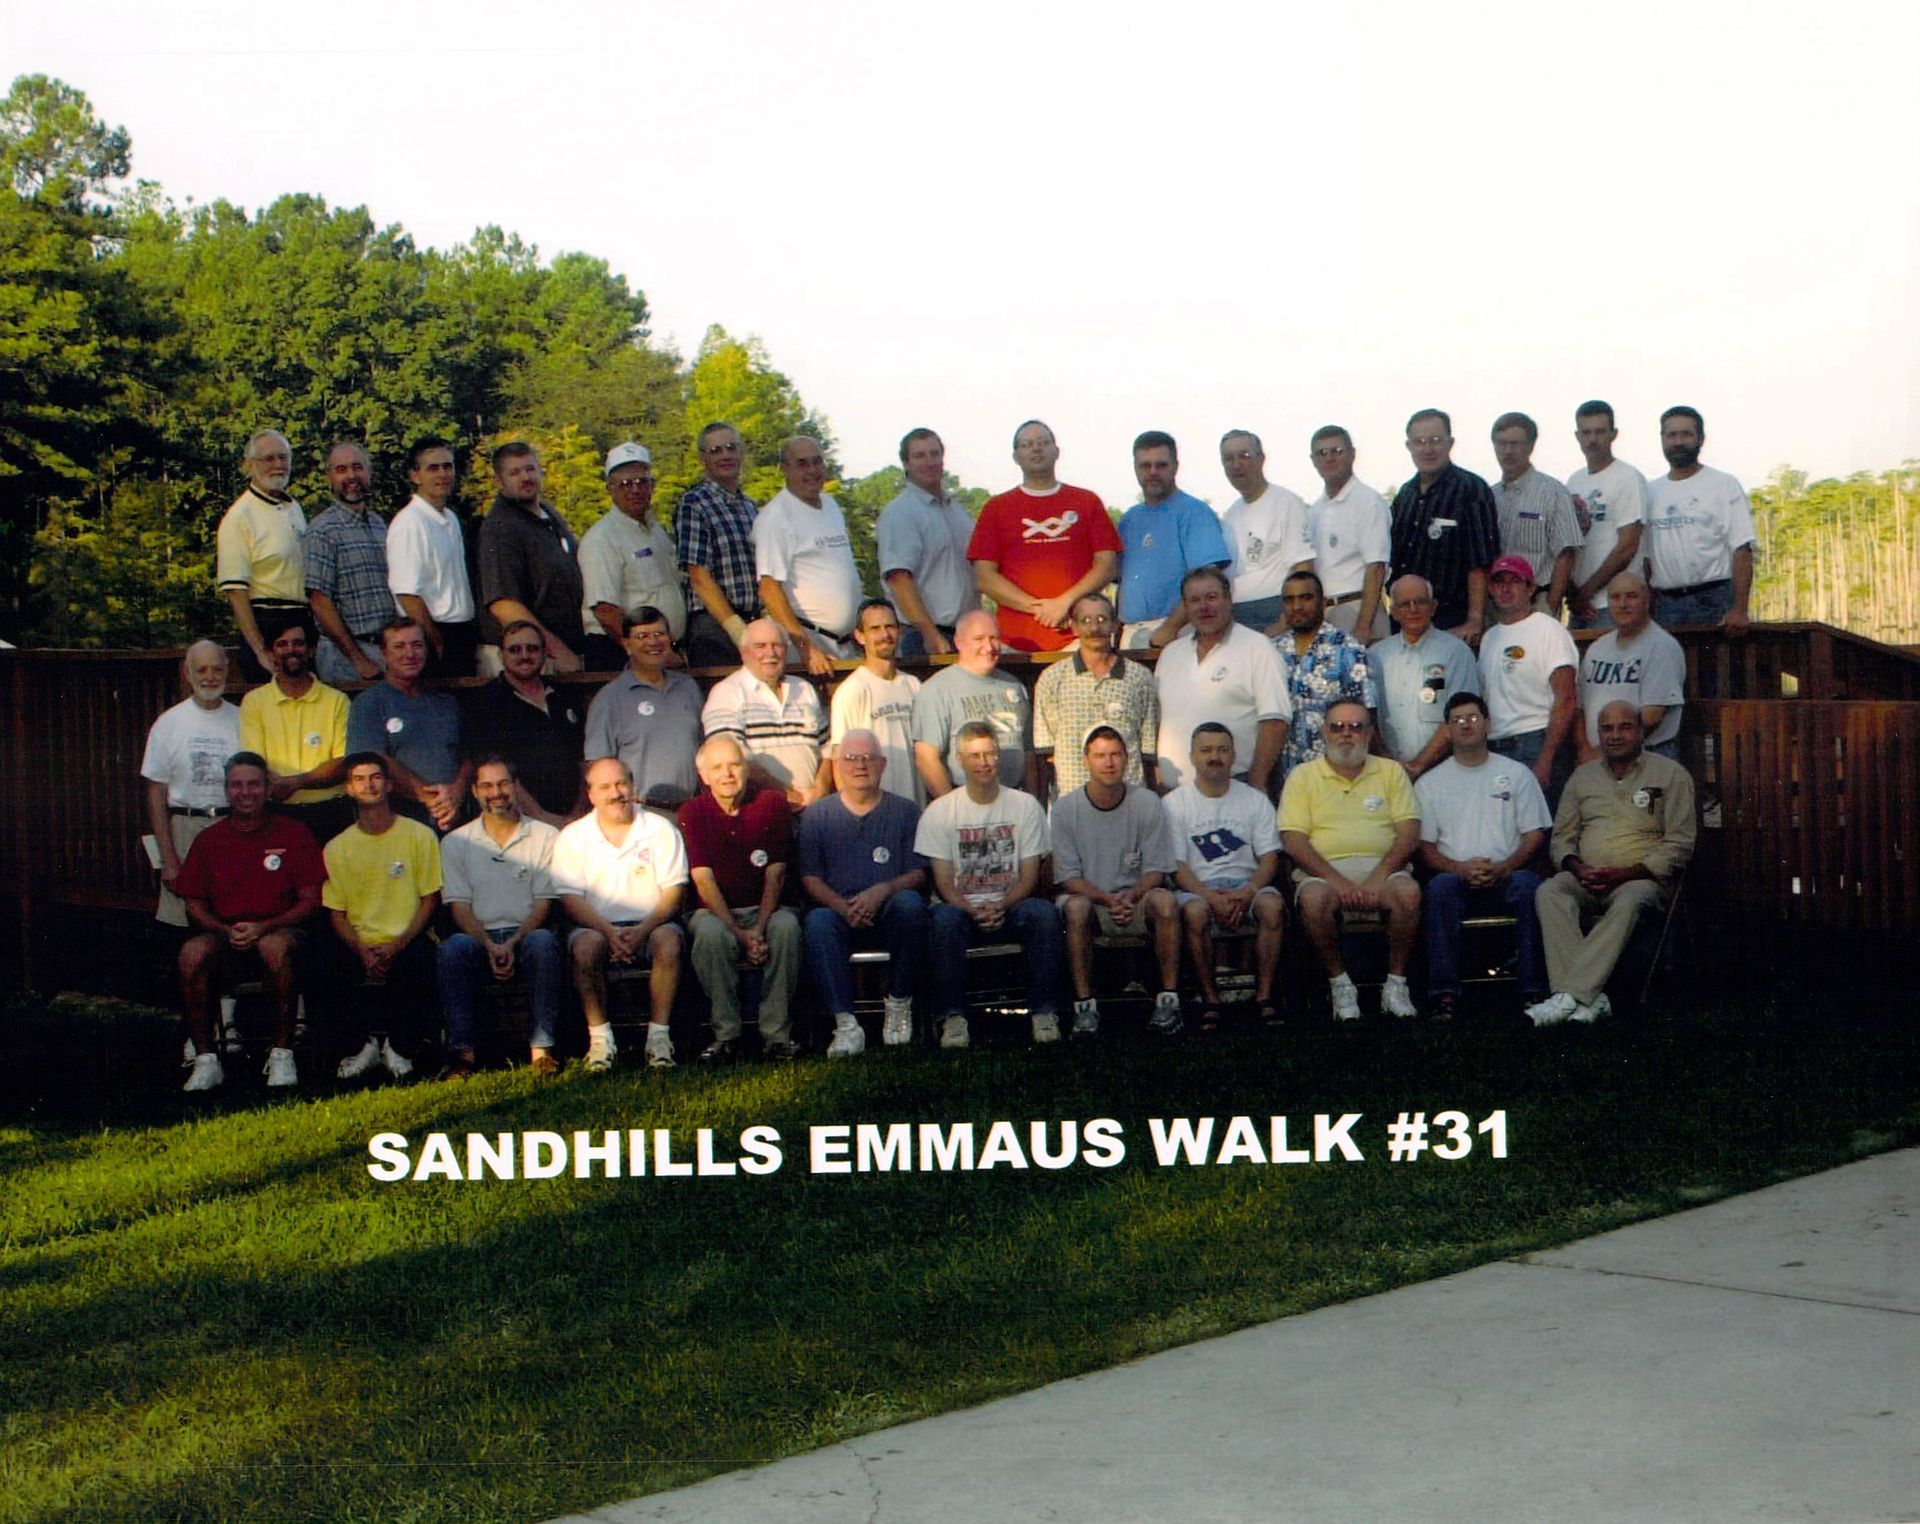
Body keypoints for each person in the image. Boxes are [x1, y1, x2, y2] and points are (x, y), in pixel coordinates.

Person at [1528, 702, 1696, 1025]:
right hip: (1586, 878)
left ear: (1640, 731)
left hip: (1641, 880)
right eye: (1607, 729)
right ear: (1598, 734)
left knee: (1630, 899)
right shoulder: (1582, 777)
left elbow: (1680, 843)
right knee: (1550, 891)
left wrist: (1625, 874)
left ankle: (1568, 995)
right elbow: (1561, 839)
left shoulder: (1670, 775)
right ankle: (1588, 999)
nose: (1615, 735)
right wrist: (1577, 868)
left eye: (1624, 727)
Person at [174, 752, 326, 1092]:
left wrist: (265, 927)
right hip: (225, 934)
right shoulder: (210, 839)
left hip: (280, 931)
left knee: (274, 947)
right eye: (237, 785)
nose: (246, 792)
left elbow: (310, 901)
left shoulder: (294, 833)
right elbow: (193, 903)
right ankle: (205, 1059)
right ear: (227, 791)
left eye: (254, 784)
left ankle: (282, 1053)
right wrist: (222, 929)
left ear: (268, 788)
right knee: (191, 953)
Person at [915, 722, 1063, 1048]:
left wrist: (1001, 906)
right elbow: (943, 883)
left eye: (989, 754)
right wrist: (974, 910)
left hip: (1011, 905)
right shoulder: (941, 812)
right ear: (960, 760)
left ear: (998, 757)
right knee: (943, 920)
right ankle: (953, 1019)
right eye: (975, 755)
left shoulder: (1024, 806)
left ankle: (1044, 1012)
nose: (983, 762)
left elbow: (1029, 875)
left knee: (1044, 914)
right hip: (961, 909)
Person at [1278, 699, 1423, 1021]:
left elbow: (1409, 832)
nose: (1346, 735)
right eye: (1337, 727)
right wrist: (1338, 882)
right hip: (1323, 873)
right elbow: (1293, 840)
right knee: (1314, 900)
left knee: (1408, 894)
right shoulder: (1302, 776)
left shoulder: (1390, 771)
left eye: (1356, 727)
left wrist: (1376, 878)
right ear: (1323, 732)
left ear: (1370, 733)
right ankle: (1340, 984)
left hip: (1384, 869)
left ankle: (1396, 984)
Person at [1414, 693, 1550, 1021]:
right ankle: (1443, 994)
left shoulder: (1517, 774)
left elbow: (1534, 834)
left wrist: (1504, 868)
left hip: (1508, 875)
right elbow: (1426, 848)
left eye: (1473, 717)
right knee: (1439, 890)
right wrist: (1460, 869)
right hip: (1455, 878)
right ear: (1447, 729)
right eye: (1457, 719)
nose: (1465, 724)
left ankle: (1533, 992)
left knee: (1532, 888)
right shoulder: (1430, 784)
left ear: (1487, 724)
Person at [796, 727, 928, 1054]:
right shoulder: (817, 815)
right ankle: (846, 1025)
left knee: (911, 906)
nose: (860, 765)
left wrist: (882, 891)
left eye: (868, 758)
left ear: (883, 764)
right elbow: (810, 877)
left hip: (888, 910)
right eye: (851, 758)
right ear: (838, 765)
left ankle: (898, 1005)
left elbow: (918, 873)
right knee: (817, 923)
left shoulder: (906, 811)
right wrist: (843, 907)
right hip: (840, 913)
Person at [551, 757, 687, 1070]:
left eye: (621, 783)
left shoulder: (660, 829)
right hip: (596, 927)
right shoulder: (573, 837)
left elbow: (672, 894)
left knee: (669, 941)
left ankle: (659, 1039)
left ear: (632, 785)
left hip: (653, 925)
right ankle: (600, 1040)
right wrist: (609, 933)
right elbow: (571, 900)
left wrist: (641, 930)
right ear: (591, 795)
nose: (616, 793)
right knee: (585, 948)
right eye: (605, 787)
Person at [436, 757, 564, 1078]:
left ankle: (542, 1050)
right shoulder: (456, 842)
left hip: (526, 933)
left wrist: (512, 941)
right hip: (480, 937)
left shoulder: (545, 836)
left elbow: (543, 904)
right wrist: (491, 945)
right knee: (452, 949)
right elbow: (459, 908)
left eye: (504, 784)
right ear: (475, 792)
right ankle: (462, 1054)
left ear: (516, 787)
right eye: (488, 786)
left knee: (544, 942)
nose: (497, 792)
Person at [678, 735, 803, 1061]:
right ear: (703, 776)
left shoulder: (772, 803)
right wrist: (739, 933)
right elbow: (703, 881)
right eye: (717, 768)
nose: (727, 774)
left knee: (787, 927)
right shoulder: (693, 811)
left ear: (746, 769)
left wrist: (759, 928)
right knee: (708, 935)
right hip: (716, 913)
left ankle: (776, 1035)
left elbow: (775, 874)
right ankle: (727, 1036)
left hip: (768, 908)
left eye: (734, 765)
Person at [1052, 726, 1181, 1037]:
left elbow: (1156, 869)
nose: (1108, 762)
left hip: (1136, 899)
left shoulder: (1147, 802)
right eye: (1100, 756)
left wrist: (1132, 896)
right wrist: (1107, 900)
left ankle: (1169, 1000)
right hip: (1092, 901)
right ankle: (1085, 1006)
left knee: (1166, 901)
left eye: (1115, 755)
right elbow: (1068, 878)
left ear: (1126, 758)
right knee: (1076, 910)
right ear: (1086, 761)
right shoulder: (1066, 809)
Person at [323, 753, 442, 1080]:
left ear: (389, 784)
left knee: (420, 962)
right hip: (360, 941)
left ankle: (399, 1048)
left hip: (408, 938)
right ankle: (362, 1048)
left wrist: (399, 944)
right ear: (348, 789)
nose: (369, 785)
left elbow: (430, 899)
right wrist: (362, 949)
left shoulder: (419, 836)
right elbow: (336, 913)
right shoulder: (337, 847)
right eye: (359, 779)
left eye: (375, 777)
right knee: (326, 965)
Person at [1161, 723, 1287, 1029]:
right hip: (1198, 888)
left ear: (1233, 755)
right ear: (1192, 757)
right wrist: (1210, 897)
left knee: (1272, 906)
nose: (1214, 757)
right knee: (1194, 911)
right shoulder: (1174, 804)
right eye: (1206, 750)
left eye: (1222, 749)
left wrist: (1250, 889)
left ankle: (1264, 996)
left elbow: (1270, 857)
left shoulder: (1254, 800)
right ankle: (1211, 998)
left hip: (1248, 885)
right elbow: (1176, 866)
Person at [967, 418, 1121, 652]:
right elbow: (984, 576)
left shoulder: (1086, 502)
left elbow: (1107, 564)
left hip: (1079, 639)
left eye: (1043, 442)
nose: (1036, 449)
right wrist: (1038, 608)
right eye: (1027, 445)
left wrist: (1065, 603)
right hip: (1014, 642)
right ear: (1016, 456)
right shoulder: (996, 508)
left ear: (1056, 451)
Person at [1152, 566, 1288, 793]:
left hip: (1236, 787)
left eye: (1211, 597)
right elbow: (1158, 722)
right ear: (1185, 607)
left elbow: (1275, 722)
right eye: (1194, 600)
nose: (1203, 607)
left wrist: (1257, 783)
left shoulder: (1257, 647)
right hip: (1175, 794)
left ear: (1229, 600)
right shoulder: (1170, 654)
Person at [141, 638, 241, 930]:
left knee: (234, 917)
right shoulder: (168, 724)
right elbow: (155, 793)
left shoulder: (243, 720)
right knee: (184, 924)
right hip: (184, 829)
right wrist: (168, 857)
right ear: (187, 673)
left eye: (216, 669)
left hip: (233, 827)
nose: (209, 677)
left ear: (227, 671)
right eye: (201, 670)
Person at [459, 618, 587, 828]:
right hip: (521, 824)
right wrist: (543, 818)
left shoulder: (564, 696)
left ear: (544, 653)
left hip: (575, 821)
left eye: (532, 649)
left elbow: (582, 760)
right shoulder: (485, 702)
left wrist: (578, 815)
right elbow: (494, 770)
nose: (524, 656)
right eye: (515, 650)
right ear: (501, 655)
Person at [1032, 592, 1158, 799]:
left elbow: (1148, 749)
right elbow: (1044, 752)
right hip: (1073, 798)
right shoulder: (1052, 678)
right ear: (1073, 626)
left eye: (1102, 620)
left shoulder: (1139, 677)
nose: (1094, 628)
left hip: (1128, 797)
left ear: (1115, 624)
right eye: (1085, 621)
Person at [1644, 405, 1757, 634]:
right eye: (1671, 435)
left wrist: (1740, 609)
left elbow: (1742, 550)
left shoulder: (1723, 485)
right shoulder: (1649, 492)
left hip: (1712, 600)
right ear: (1662, 439)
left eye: (1686, 434)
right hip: (1664, 604)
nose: (1678, 442)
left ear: (1701, 439)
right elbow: (1645, 558)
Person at [346, 619, 469, 830]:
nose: (410, 654)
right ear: (384, 653)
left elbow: (469, 756)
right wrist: (431, 799)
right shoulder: (369, 703)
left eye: (417, 645)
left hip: (455, 819)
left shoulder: (447, 703)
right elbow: (373, 759)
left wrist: (456, 793)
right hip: (402, 825)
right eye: (399, 646)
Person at [236, 616, 351, 842]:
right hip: (276, 813)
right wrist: (281, 785)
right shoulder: (254, 702)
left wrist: (295, 782)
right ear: (271, 653)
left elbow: (342, 763)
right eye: (282, 644)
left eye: (298, 643)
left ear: (311, 650)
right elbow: (254, 762)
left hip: (330, 814)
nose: (291, 650)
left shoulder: (337, 701)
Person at [475, 440, 585, 676]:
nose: (525, 477)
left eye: (530, 469)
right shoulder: (500, 528)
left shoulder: (549, 515)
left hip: (565, 651)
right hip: (529, 659)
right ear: (499, 481)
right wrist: (556, 651)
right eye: (514, 472)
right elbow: (503, 604)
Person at [1115, 430, 1233, 649]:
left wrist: (1170, 628)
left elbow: (1207, 580)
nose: (1153, 472)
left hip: (1178, 631)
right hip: (1131, 634)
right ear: (1135, 468)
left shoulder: (1193, 512)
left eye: (1161, 465)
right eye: (1145, 466)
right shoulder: (1130, 519)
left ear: (1175, 467)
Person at [755, 435, 863, 675]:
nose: (812, 470)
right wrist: (806, 648)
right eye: (802, 464)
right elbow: (769, 589)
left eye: (817, 462)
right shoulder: (775, 518)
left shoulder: (832, 506)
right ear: (784, 468)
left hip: (847, 645)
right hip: (810, 648)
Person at [1389, 408, 1498, 641]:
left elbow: (1480, 561)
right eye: (1420, 442)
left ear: (1450, 443)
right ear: (1409, 446)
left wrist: (1475, 619)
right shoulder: (1405, 496)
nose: (1428, 449)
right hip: (1406, 622)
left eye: (1436, 440)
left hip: (1453, 622)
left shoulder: (1471, 489)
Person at [1480, 554, 1580, 807]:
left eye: (1514, 581)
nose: (1505, 588)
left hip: (1535, 742)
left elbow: (1566, 699)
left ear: (1531, 588)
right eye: (1498, 581)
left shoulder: (1549, 630)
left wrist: (1546, 757)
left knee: (1543, 834)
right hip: (1495, 747)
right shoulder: (1489, 638)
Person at [579, 442, 687, 671]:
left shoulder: (657, 531)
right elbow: (605, 611)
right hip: (621, 655)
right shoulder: (601, 538)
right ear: (610, 488)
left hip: (660, 652)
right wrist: (651, 653)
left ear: (652, 485)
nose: (635, 490)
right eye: (625, 484)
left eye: (641, 482)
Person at [701, 617, 832, 806]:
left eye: (776, 645)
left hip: (813, 807)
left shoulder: (804, 689)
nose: (770, 653)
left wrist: (820, 788)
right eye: (760, 646)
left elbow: (827, 749)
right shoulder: (727, 693)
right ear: (743, 652)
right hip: (760, 809)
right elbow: (731, 761)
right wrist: (785, 794)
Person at [583, 606, 705, 809]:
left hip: (690, 809)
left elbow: (704, 747)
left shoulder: (688, 687)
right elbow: (598, 767)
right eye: (642, 636)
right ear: (627, 644)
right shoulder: (609, 699)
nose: (653, 642)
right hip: (640, 812)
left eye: (659, 634)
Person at [911, 609, 1038, 798]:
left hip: (1014, 800)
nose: (988, 647)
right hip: (964, 799)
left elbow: (1028, 753)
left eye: (994, 638)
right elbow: (926, 758)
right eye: (979, 639)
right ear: (959, 642)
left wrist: (1032, 800)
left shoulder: (1014, 686)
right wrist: (953, 809)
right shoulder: (937, 690)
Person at [877, 427, 979, 657]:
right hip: (925, 637)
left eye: (934, 454)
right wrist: (929, 634)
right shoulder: (901, 513)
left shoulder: (959, 512)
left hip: (966, 634)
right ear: (906, 463)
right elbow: (899, 579)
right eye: (919, 456)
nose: (929, 462)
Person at [216, 428, 308, 682]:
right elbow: (236, 591)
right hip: (267, 625)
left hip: (302, 623)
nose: (278, 465)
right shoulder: (239, 517)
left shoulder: (293, 508)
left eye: (283, 457)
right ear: (250, 465)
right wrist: (259, 650)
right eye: (269, 459)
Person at [304, 440, 398, 685]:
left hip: (387, 651)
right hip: (346, 657)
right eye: (341, 469)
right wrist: (358, 659)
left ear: (368, 471)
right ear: (329, 478)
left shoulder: (380, 525)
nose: (351, 476)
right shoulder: (322, 531)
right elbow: (319, 601)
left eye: (357, 467)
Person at [1372, 576, 1480, 780]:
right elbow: (1369, 719)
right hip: (1388, 774)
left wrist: (1418, 765)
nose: (1413, 609)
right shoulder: (1377, 655)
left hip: (1443, 771)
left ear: (1433, 606)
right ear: (1393, 612)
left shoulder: (1456, 652)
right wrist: (1392, 766)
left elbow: (1459, 715)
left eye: (1420, 601)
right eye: (1404, 604)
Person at [387, 436, 477, 677]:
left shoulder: (451, 519)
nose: (442, 474)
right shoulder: (409, 523)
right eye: (433, 468)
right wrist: (434, 643)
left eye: (447, 466)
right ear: (415, 476)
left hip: (462, 633)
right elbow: (407, 594)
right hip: (435, 635)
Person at [1274, 569, 1377, 778]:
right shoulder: (1271, 651)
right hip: (1283, 775)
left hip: (1335, 774)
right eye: (1289, 600)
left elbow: (1367, 715)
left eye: (1306, 598)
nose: (1297, 606)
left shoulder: (1348, 649)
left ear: (1323, 602)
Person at [676, 421, 763, 668]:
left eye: (730, 448)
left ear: (741, 452)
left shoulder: (750, 506)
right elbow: (698, 576)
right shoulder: (694, 504)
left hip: (753, 621)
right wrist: (736, 630)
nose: (725, 455)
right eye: (716, 451)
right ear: (703, 458)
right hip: (714, 627)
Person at [1578, 573, 1686, 761]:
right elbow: (1580, 707)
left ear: (1647, 600)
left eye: (1631, 596)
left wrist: (1602, 753)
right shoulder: (1598, 648)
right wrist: (1584, 749)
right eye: (1615, 597)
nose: (1623, 604)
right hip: (1599, 759)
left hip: (1646, 756)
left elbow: (1652, 716)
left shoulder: (1662, 646)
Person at [1217, 428, 1314, 634]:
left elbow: (1303, 567)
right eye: (1228, 459)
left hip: (1275, 612)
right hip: (1236, 616)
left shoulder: (1286, 503)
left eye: (1244, 456)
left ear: (1261, 459)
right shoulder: (1231, 515)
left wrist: (1283, 622)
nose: (1236, 465)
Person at [1488, 412, 1583, 617]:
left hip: (1537, 600)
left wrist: (1550, 604)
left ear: (1531, 446)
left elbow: (1565, 554)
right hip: (1497, 604)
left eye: (1515, 444)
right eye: (1502, 444)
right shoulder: (1489, 496)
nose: (1508, 451)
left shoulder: (1553, 492)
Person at [829, 599, 923, 805]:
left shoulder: (913, 685)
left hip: (915, 808)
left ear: (899, 631)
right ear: (860, 636)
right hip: (874, 809)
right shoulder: (852, 690)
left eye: (890, 626)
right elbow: (839, 761)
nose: (884, 635)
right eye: (875, 628)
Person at [1564, 402, 1648, 631]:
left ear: (1613, 434)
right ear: (1577, 436)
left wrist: (1588, 591)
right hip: (1579, 605)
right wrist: (1573, 593)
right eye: (1586, 432)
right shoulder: (1574, 481)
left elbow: (1628, 545)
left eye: (1600, 432)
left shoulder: (1627, 478)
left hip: (1612, 604)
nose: (1593, 439)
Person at [1304, 425, 1392, 642]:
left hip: (1358, 610)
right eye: (1322, 453)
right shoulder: (1315, 510)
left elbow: (1376, 567)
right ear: (1313, 460)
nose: (1330, 458)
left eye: (1337, 451)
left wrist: (1363, 625)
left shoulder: (1368, 502)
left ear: (1352, 454)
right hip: (1324, 615)